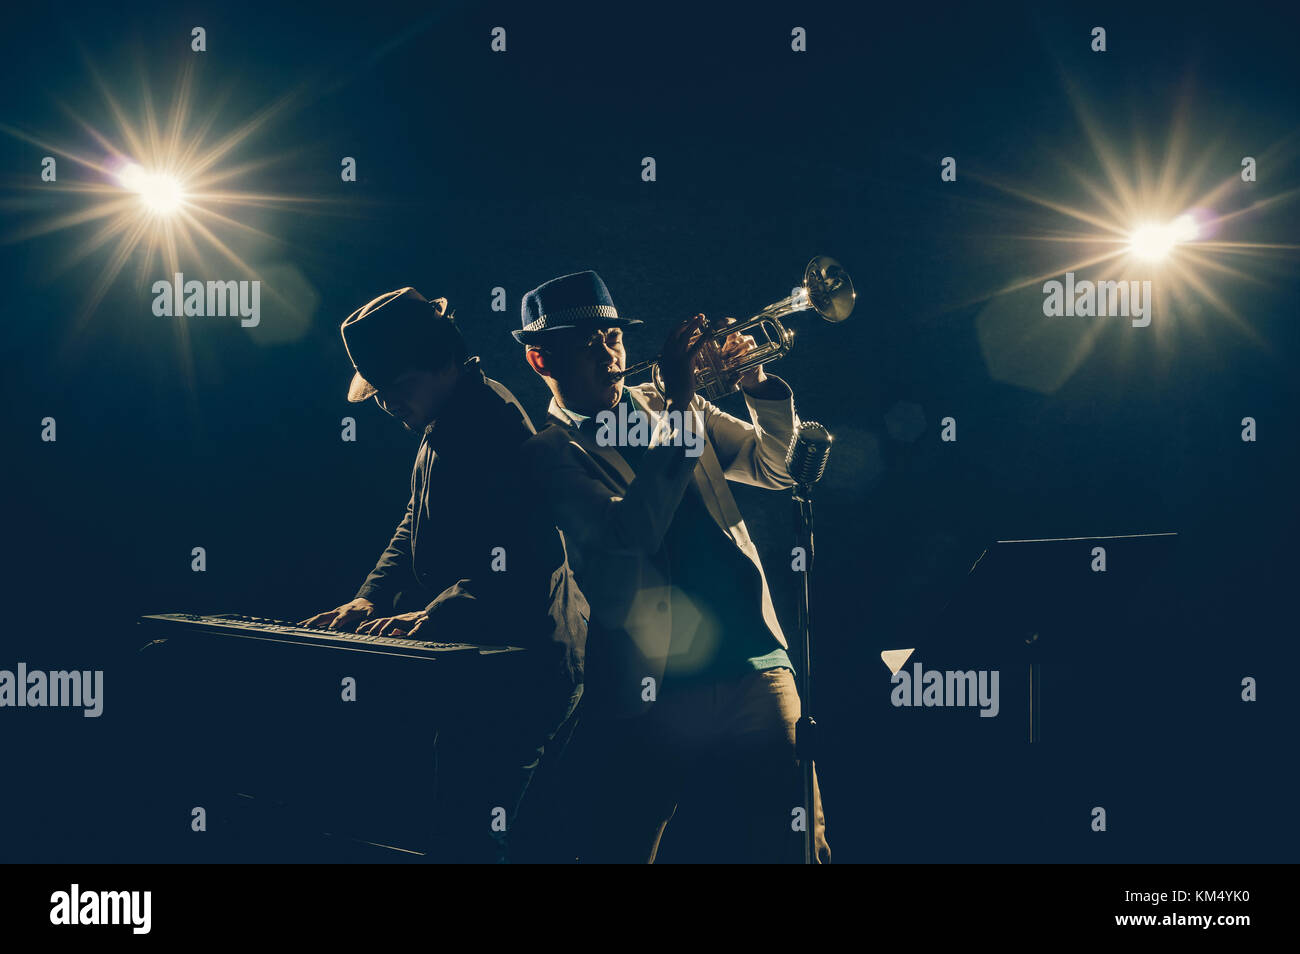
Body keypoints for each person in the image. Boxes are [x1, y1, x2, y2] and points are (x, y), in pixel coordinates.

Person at [516, 270, 829, 863]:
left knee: (798, 844)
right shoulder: (548, 455)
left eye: (613, 339)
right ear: (539, 359)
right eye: (587, 346)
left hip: (755, 658)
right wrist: (684, 407)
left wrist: (755, 383)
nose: (608, 356)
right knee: (623, 847)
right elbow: (630, 536)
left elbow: (778, 469)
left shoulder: (665, 402)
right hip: (654, 684)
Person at [301, 286, 587, 862]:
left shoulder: (494, 425)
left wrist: (435, 610)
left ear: (446, 361)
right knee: (461, 831)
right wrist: (367, 599)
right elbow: (415, 519)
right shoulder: (444, 416)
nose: (385, 406)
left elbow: (529, 559)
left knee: (470, 840)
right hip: (486, 658)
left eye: (396, 389)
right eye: (377, 394)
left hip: (526, 666)